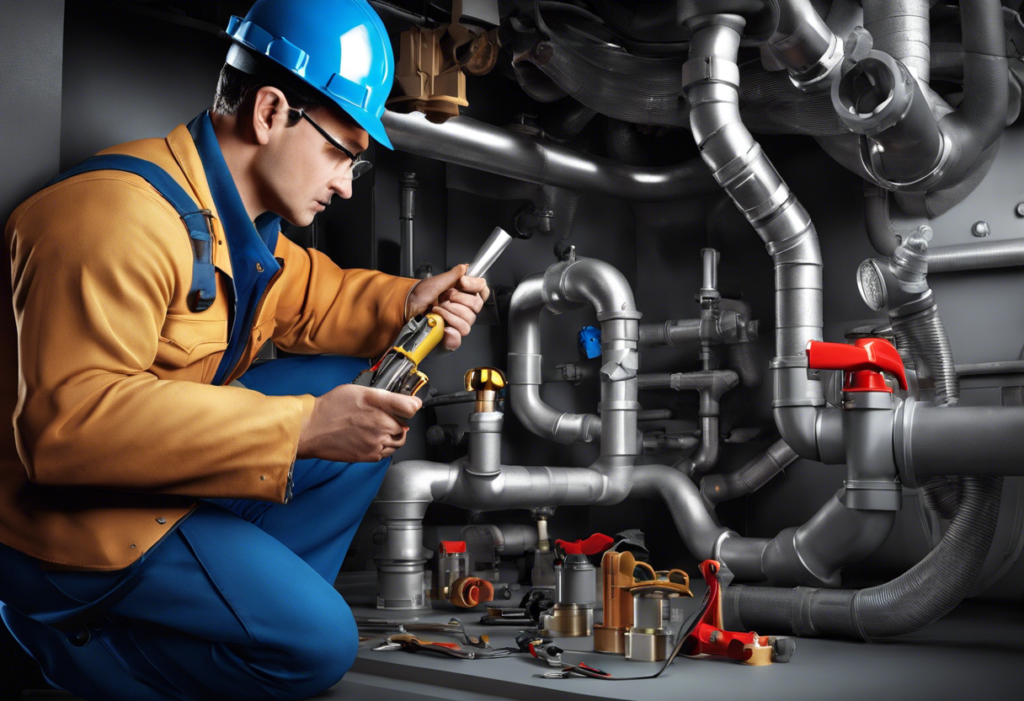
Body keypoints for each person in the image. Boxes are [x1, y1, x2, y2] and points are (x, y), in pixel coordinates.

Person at [0, 1, 488, 699]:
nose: (348, 184)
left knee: (368, 387)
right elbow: (65, 429)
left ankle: (232, 619)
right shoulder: (112, 218)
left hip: (147, 488)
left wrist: (410, 302)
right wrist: (303, 426)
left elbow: (317, 298)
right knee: (320, 646)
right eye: (341, 153)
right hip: (66, 532)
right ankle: (71, 646)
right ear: (269, 112)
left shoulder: (235, 227)